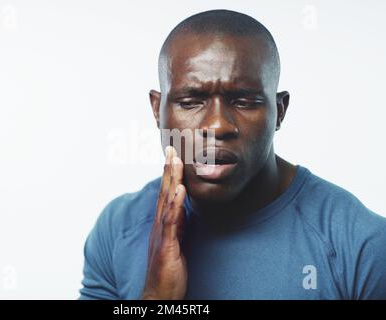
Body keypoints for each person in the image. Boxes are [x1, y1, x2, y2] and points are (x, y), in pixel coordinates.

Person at [79, 9, 386, 300]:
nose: (217, 125)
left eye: (243, 101)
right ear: (156, 110)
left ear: (279, 112)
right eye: (190, 101)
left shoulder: (362, 245)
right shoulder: (118, 227)